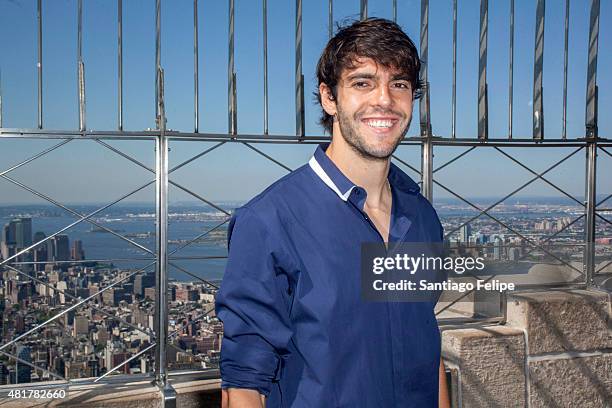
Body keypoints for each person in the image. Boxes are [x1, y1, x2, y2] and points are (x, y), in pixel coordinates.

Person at [215, 18, 450, 408]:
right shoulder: (269, 221)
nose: (385, 100)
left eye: (400, 84)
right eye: (363, 82)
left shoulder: (422, 217)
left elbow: (426, 345)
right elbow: (241, 385)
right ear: (328, 98)